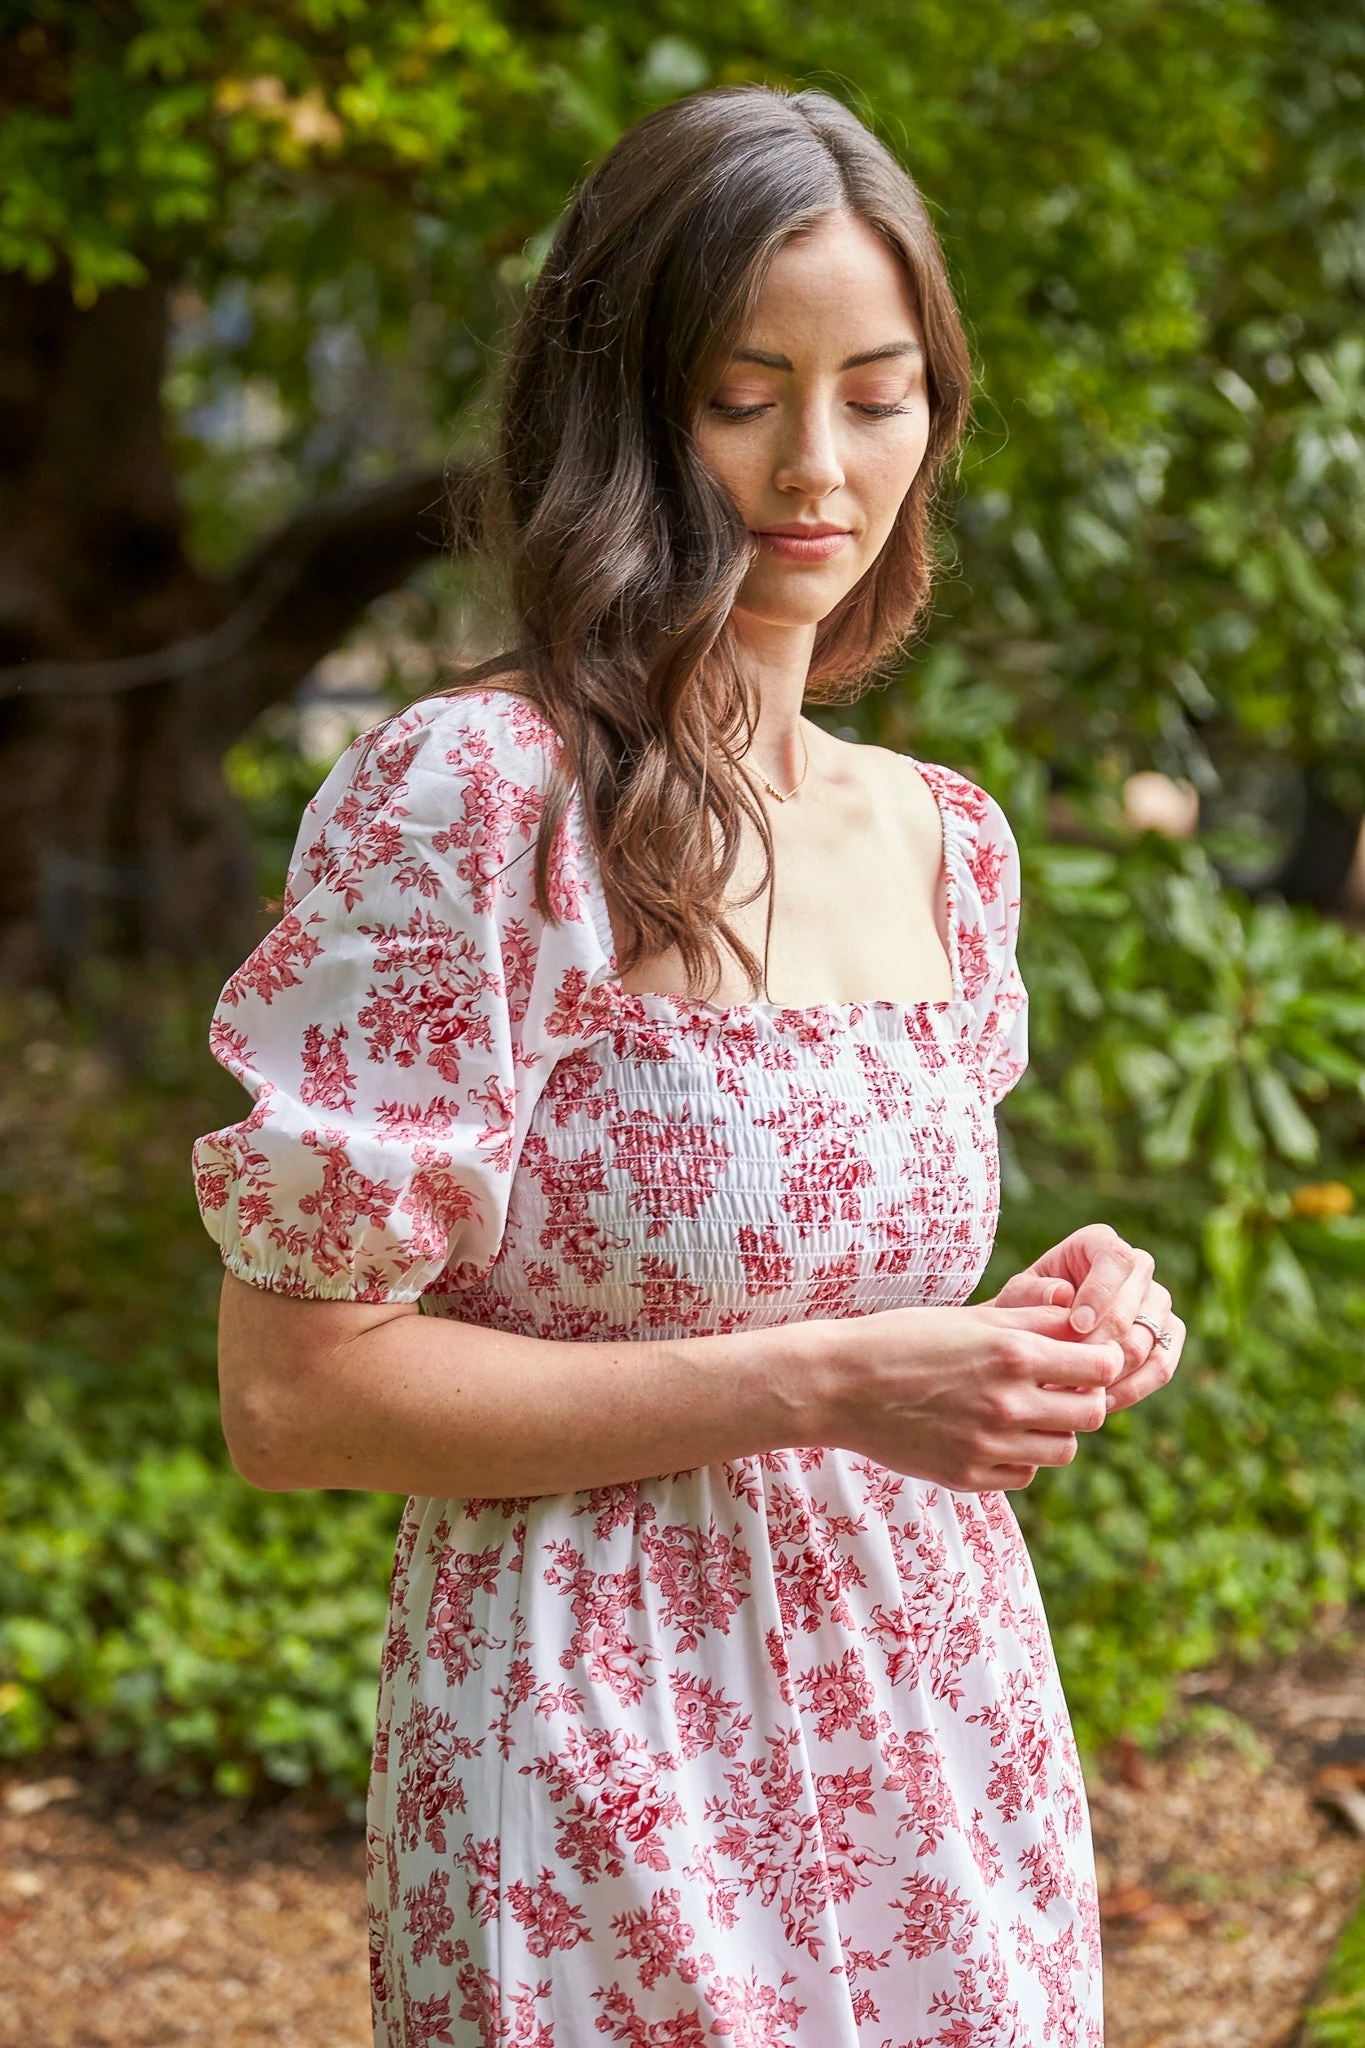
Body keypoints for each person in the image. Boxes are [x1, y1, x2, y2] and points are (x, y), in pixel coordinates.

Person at [194, 84, 1182, 2048]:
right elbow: (295, 1392)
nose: (820, 465)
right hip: (600, 1755)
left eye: (878, 393)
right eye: (746, 394)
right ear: (622, 405)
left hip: (938, 1738)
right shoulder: (475, 803)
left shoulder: (942, 836)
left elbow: (836, 1302)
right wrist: (827, 1379)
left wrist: (1029, 1327)